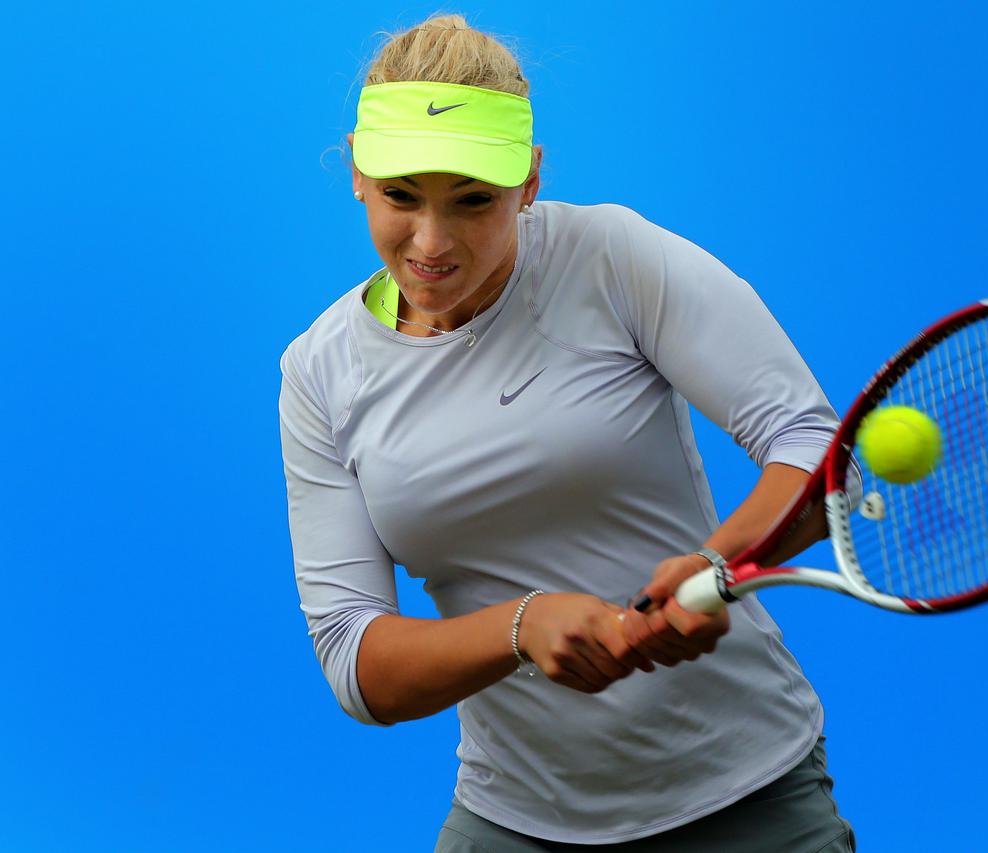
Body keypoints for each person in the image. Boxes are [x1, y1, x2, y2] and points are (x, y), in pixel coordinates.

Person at [278, 14, 856, 852]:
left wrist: (717, 565)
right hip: (515, 818)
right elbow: (357, 659)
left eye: (473, 201)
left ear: (530, 181)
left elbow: (808, 439)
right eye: (402, 196)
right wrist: (523, 624)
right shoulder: (317, 372)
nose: (431, 244)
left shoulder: (611, 258)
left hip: (748, 794)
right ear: (358, 174)